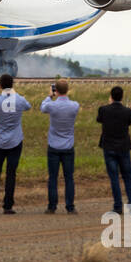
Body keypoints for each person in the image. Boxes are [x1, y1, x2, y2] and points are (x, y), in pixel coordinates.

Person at [0, 73, 31, 214]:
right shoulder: (20, 100)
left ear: (1, 86)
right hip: (15, 141)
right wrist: (14, 93)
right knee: (11, 174)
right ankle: (8, 205)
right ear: (13, 85)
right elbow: (28, 106)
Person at [40, 80, 80, 214]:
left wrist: (49, 96)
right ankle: (70, 206)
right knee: (69, 178)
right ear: (68, 90)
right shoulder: (74, 105)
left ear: (55, 91)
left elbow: (42, 107)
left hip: (54, 146)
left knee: (53, 178)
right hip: (68, 146)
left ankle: (52, 206)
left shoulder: (52, 106)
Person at [96, 86, 131, 215]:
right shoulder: (128, 112)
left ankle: (118, 206)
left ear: (111, 96)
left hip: (109, 147)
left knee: (114, 178)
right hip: (123, 147)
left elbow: (99, 119)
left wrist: (109, 105)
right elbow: (129, 122)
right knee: (127, 177)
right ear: (122, 97)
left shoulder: (103, 110)